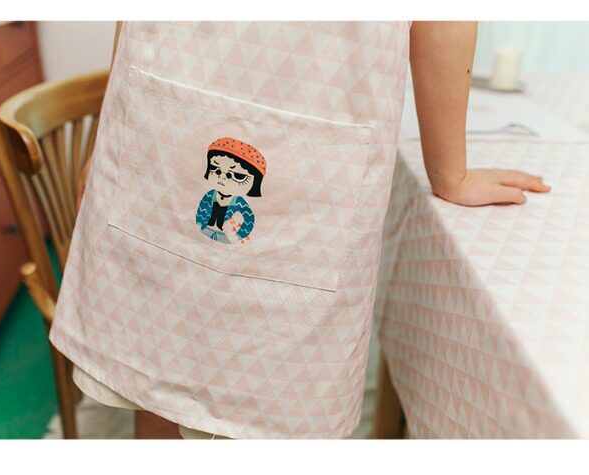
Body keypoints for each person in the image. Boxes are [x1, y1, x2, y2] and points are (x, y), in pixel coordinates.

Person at [57, 21, 550, 440]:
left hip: (257, 100)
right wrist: (113, 128)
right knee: (153, 362)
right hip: (162, 104)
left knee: (221, 382)